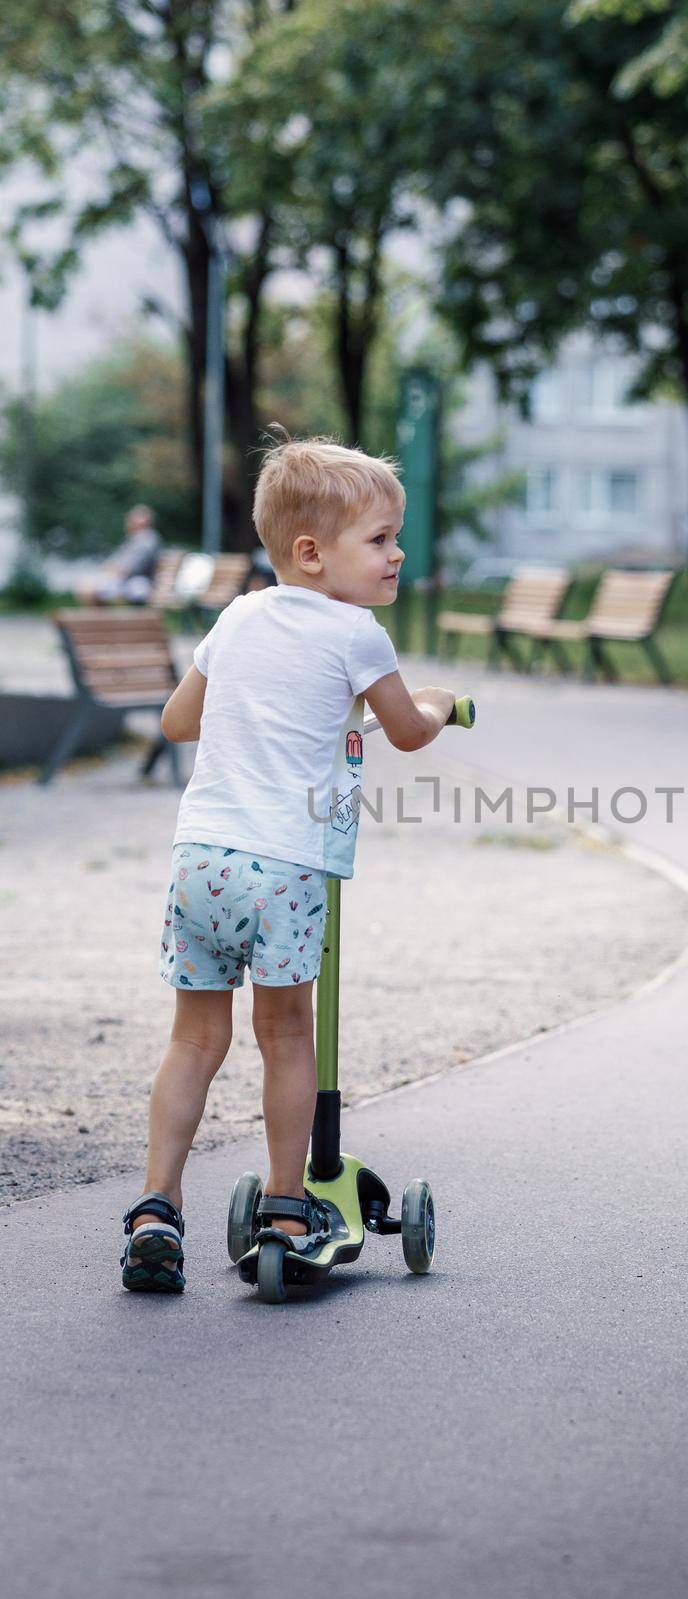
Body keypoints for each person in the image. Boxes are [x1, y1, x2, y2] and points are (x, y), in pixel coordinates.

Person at [120, 438, 456, 1293]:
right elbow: (407, 731)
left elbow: (175, 722)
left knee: (194, 1038)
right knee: (284, 1035)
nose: (397, 555)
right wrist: (439, 703)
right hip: (286, 867)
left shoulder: (236, 618)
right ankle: (282, 1204)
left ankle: (156, 1208)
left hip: (201, 859)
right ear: (311, 553)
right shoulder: (358, 633)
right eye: (379, 540)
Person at [78, 504, 161, 604]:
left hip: (136, 583)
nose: (127, 523)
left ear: (143, 522)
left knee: (88, 586)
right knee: (87, 583)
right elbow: (114, 563)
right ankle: (100, 619)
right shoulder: (133, 539)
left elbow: (129, 569)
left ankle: (99, 619)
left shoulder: (147, 539)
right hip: (126, 581)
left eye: (131, 519)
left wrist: (111, 572)